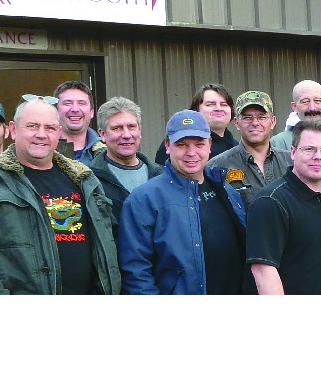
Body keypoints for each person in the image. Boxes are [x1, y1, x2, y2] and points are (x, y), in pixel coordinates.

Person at [0, 95, 120, 294]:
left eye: (50, 128)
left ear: (59, 132)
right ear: (13, 130)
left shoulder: (85, 179)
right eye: (32, 126)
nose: (41, 134)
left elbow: (108, 242)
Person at [120, 109, 248, 295]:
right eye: (181, 145)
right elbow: (136, 273)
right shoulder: (143, 200)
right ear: (167, 145)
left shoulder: (226, 189)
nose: (191, 153)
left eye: (199, 144)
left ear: (209, 145)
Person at [246, 119, 321, 294]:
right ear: (293, 152)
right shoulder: (271, 201)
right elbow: (263, 270)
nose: (318, 156)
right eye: (309, 149)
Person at [88, 96, 162, 239]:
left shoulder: (160, 176)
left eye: (131, 127)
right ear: (102, 134)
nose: (126, 135)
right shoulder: (90, 181)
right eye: (117, 128)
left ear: (140, 131)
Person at [207, 91, 291, 208]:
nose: (255, 123)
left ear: (273, 122)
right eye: (247, 118)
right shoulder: (217, 167)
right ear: (237, 123)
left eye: (261, 117)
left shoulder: (292, 162)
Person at [154, 84, 237, 164]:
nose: (218, 108)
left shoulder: (237, 147)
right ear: (196, 110)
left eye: (224, 104)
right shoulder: (175, 143)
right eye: (210, 104)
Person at [269, 79, 321, 151]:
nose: (312, 108)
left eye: (317, 101)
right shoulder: (279, 143)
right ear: (294, 106)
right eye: (305, 102)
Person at [52, 80, 101, 165]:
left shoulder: (106, 153)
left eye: (81, 103)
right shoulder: (43, 151)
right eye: (68, 103)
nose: (75, 109)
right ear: (55, 110)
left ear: (91, 112)